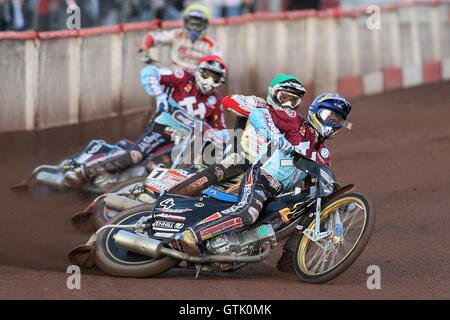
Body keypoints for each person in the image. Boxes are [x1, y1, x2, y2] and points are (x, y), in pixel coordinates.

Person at [170, 75, 355, 257]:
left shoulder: (324, 154)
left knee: (306, 209)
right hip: (259, 176)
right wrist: (277, 136)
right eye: (328, 116)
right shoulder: (294, 120)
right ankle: (189, 233)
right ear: (315, 111)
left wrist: (337, 202)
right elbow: (258, 114)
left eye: (337, 120)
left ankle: (289, 259)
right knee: (246, 213)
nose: (332, 123)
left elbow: (316, 183)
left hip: (279, 192)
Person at [63, 55, 228, 187]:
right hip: (164, 126)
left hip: (187, 140)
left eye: (216, 78)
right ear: (200, 70)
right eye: (208, 74)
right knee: (136, 155)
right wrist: (160, 95)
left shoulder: (215, 101)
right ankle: (84, 171)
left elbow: (219, 129)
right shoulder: (182, 77)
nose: (210, 81)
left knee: (167, 166)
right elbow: (149, 72)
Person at [138, 3, 222, 73]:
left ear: (206, 25)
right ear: (185, 22)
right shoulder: (177, 35)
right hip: (175, 77)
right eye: (191, 24)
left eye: (198, 25)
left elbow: (220, 65)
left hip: (197, 82)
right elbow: (151, 36)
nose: (194, 29)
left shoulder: (211, 44)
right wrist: (144, 50)